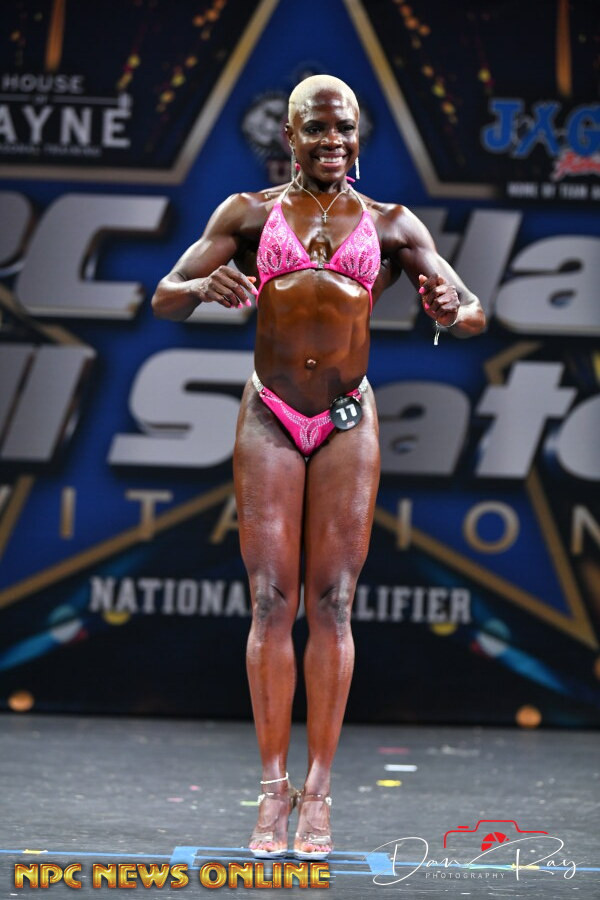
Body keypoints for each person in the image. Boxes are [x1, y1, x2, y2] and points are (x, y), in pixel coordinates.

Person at [152, 74, 485, 860]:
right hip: (271, 412)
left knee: (332, 603)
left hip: (346, 420)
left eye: (344, 128)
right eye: (317, 128)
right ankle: (274, 792)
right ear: (291, 137)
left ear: (357, 136)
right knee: (273, 600)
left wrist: (452, 310)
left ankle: (320, 795)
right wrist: (201, 283)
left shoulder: (392, 224)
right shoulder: (247, 213)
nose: (332, 141)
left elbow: (472, 309)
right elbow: (165, 295)